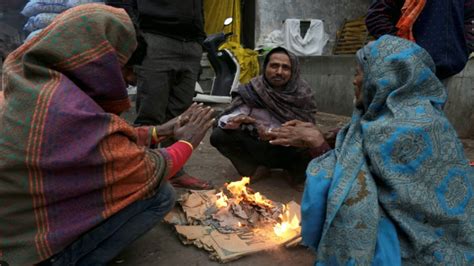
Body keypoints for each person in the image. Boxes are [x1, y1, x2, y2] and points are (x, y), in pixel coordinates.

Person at [0, 4, 214, 265]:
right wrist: (187, 143)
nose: (132, 81)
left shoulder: (35, 83)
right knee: (160, 195)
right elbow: (145, 169)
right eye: (127, 69)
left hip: (14, 223)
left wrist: (161, 131)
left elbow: (94, 140)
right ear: (99, 59)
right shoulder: (65, 108)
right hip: (21, 251)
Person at [270, 35, 474, 264]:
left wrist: (317, 144)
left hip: (421, 245)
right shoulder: (404, 115)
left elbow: (354, 185)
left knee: (333, 187)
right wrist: (324, 136)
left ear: (384, 78)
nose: (354, 81)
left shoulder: (404, 132)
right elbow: (358, 149)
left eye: (359, 73)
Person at [105, 0, 209, 189]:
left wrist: (199, 39)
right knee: (151, 112)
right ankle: (142, 173)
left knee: (181, 113)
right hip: (155, 38)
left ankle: (175, 171)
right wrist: (136, 35)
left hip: (191, 43)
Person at [210, 47, 323, 186]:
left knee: (315, 140)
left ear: (293, 72)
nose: (279, 72)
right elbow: (228, 116)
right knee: (219, 135)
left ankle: (293, 173)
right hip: (256, 146)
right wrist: (234, 120)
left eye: (285, 68)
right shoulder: (253, 89)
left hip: (289, 149)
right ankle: (254, 170)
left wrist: (277, 135)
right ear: (265, 67)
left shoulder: (303, 94)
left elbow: (308, 128)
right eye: (274, 66)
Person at [365, 0, 469, 79]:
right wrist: (404, 50)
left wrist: (465, 48)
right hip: (410, 76)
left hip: (456, 73)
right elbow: (376, 17)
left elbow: (471, 16)